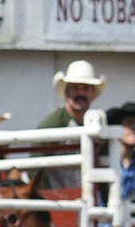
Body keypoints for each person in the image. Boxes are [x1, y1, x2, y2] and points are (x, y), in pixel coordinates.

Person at [36, 59, 105, 191]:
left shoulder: (95, 123)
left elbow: (104, 163)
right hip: (58, 199)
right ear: (66, 92)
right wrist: (46, 196)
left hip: (87, 197)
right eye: (75, 88)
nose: (80, 94)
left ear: (93, 93)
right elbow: (35, 160)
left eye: (85, 88)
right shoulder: (55, 121)